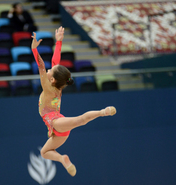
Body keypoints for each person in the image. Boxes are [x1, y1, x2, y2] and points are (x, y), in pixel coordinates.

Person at [31, 26, 117, 177]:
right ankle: (63, 159)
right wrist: (58, 42)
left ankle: (103, 112)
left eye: (51, 71)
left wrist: (34, 49)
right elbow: (55, 60)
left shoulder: (48, 86)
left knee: (80, 120)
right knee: (44, 153)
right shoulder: (57, 86)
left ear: (52, 79)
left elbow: (42, 65)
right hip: (59, 131)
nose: (50, 69)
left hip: (56, 122)